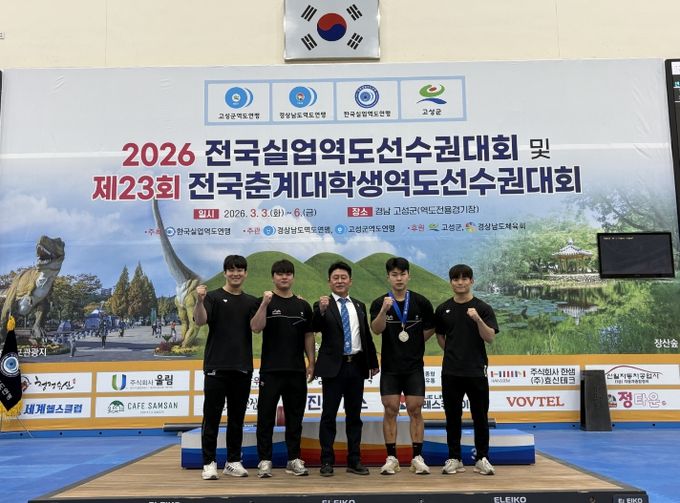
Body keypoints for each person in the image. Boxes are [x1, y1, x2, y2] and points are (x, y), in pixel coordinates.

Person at [194, 254, 259, 481]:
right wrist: (199, 301)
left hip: (242, 368)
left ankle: (232, 461)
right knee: (211, 418)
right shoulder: (211, 297)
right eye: (231, 270)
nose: (235, 274)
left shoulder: (251, 301)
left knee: (236, 419)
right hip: (216, 368)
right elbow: (200, 320)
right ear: (225, 273)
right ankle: (209, 463)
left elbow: (257, 327)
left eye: (240, 270)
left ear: (245, 273)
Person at [312, 261, 379, 477]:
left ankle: (354, 460)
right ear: (329, 281)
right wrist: (321, 311)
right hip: (334, 368)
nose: (339, 281)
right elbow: (314, 326)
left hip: (356, 366)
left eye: (343, 277)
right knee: (328, 416)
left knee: (354, 417)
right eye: (335, 278)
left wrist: (373, 362)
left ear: (350, 281)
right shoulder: (322, 304)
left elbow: (365, 335)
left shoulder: (359, 305)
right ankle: (326, 461)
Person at [250, 259, 316, 478]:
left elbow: (308, 336)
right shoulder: (264, 302)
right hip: (271, 371)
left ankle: (294, 459)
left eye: (288, 273)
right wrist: (264, 304)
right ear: (273, 277)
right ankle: (265, 460)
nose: (284, 277)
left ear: (293, 277)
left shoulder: (303, 305)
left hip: (296, 371)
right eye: (279, 274)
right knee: (265, 417)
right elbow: (255, 327)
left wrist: (311, 362)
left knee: (295, 419)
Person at [370, 257, 435, 475]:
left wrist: (414, 341)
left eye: (402, 274)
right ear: (388, 277)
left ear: (409, 276)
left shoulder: (421, 302)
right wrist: (383, 311)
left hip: (414, 367)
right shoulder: (379, 303)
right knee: (391, 409)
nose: (399, 278)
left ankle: (417, 457)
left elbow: (430, 328)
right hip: (390, 367)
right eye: (394, 275)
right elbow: (376, 329)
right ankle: (391, 458)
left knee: (415, 409)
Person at [434, 264, 499, 476]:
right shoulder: (443, 309)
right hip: (451, 372)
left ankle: (482, 458)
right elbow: (440, 337)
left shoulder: (483, 308)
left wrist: (477, 319)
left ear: (472, 281)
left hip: (476, 371)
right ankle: (455, 458)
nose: (460, 282)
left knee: (480, 417)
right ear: (451, 282)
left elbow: (490, 337)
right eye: (456, 279)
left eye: (464, 278)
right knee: (452, 417)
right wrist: (454, 353)